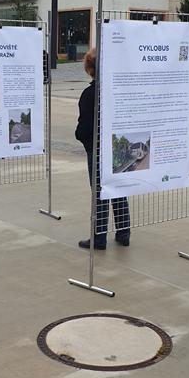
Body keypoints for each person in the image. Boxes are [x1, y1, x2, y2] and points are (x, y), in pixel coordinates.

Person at [75, 48, 130, 249]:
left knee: (99, 192)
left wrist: (81, 138)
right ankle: (124, 233)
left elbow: (84, 128)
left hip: (97, 150)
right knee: (118, 189)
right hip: (117, 147)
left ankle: (99, 238)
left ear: (89, 68)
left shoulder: (89, 94)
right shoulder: (116, 91)